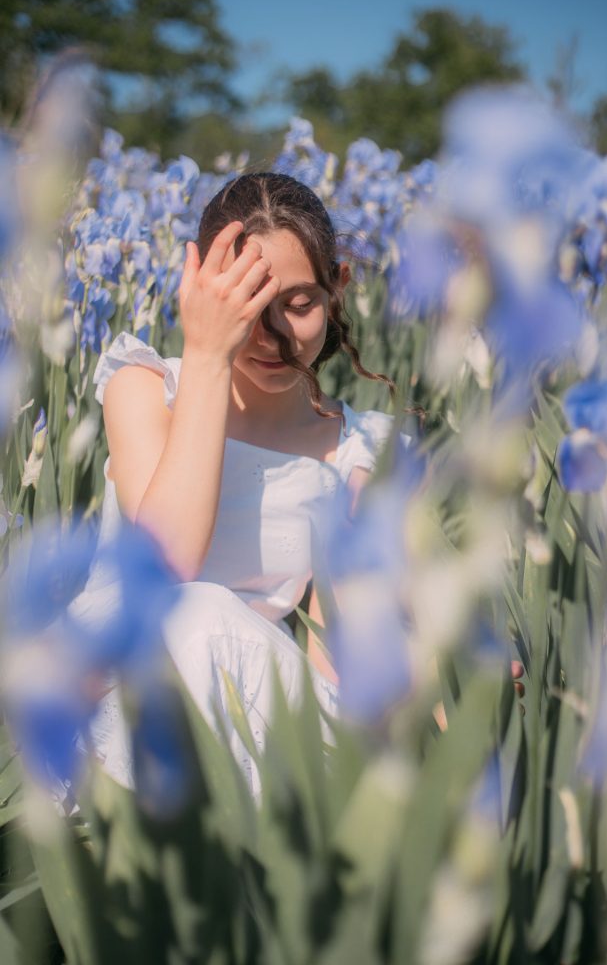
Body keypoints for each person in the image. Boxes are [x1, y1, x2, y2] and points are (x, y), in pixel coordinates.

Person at [75, 172, 406, 798]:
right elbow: (163, 566)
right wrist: (206, 355)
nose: (274, 334)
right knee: (188, 610)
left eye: (300, 304)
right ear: (205, 290)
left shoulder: (355, 453)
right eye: (248, 304)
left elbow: (331, 652)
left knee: (203, 621)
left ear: (337, 289)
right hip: (117, 693)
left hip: (244, 712)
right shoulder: (148, 388)